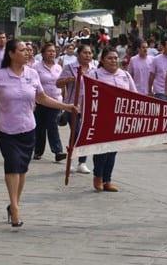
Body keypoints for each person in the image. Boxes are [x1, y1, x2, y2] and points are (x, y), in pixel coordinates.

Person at [0, 39, 77, 228]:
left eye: (28, 50)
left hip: (29, 128)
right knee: (12, 166)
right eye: (22, 50)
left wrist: (66, 106)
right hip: (6, 130)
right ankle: (14, 208)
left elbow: (42, 97)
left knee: (22, 169)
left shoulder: (32, 74)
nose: (27, 53)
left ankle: (14, 203)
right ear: (12, 54)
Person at [88, 46, 137, 192]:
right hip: (101, 118)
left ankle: (107, 180)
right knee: (102, 150)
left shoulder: (125, 75)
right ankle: (98, 177)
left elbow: (134, 95)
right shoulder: (94, 75)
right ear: (102, 60)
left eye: (116, 58)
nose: (113, 60)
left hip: (119, 120)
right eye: (110, 58)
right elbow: (87, 96)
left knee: (113, 150)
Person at [57, 44, 98, 174]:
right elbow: (58, 83)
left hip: (89, 107)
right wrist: (69, 79)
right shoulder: (69, 67)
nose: (88, 56)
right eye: (85, 53)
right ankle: (71, 159)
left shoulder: (95, 69)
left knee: (83, 134)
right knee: (77, 132)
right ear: (78, 54)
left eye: (90, 53)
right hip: (73, 106)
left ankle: (82, 162)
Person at [32, 43, 66, 162]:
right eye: (49, 51)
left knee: (52, 125)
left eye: (53, 51)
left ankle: (58, 151)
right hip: (40, 101)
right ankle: (38, 151)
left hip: (55, 101)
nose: (52, 53)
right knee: (40, 128)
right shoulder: (36, 67)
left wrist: (64, 101)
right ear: (43, 53)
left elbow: (62, 84)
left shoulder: (58, 68)